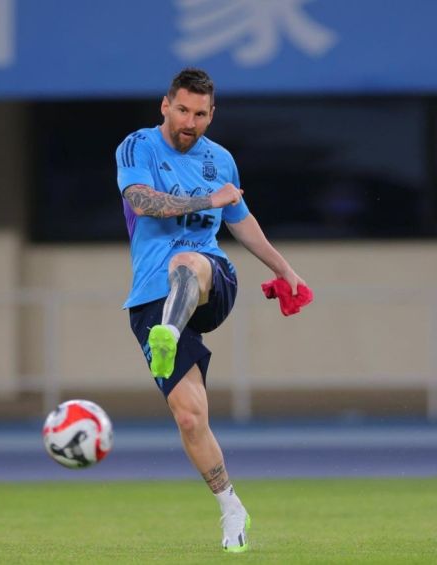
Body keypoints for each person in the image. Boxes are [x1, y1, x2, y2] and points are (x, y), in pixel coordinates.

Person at [115, 67, 306, 553]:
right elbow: (142, 201)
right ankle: (231, 506)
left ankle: (170, 336)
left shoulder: (220, 160)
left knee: (188, 260)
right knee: (190, 418)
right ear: (165, 105)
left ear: (211, 115)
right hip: (150, 300)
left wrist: (287, 272)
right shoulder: (136, 147)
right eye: (182, 110)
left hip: (209, 279)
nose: (190, 121)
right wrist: (207, 198)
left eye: (200, 114)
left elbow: (242, 224)